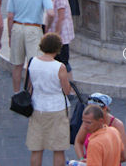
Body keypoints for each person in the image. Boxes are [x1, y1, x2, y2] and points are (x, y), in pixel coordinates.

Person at [26, 33, 72, 166]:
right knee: (58, 149)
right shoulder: (59, 67)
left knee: (36, 148)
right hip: (57, 108)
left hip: (37, 107)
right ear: (58, 48)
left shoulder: (32, 62)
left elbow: (30, 86)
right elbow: (66, 90)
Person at [7, 0, 54, 93]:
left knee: (17, 65)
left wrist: (10, 35)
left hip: (17, 27)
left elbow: (10, 15)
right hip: (34, 28)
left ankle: (16, 93)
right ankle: (30, 93)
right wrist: (46, 28)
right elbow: (50, 13)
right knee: (33, 65)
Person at [74, 94, 126, 163]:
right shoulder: (89, 122)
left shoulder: (116, 126)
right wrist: (81, 160)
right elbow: (78, 142)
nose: (85, 125)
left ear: (105, 108)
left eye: (95, 109)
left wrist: (97, 160)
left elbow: (123, 157)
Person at [41, 0, 75, 79]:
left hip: (61, 35)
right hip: (55, 32)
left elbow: (60, 18)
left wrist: (56, 36)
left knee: (64, 62)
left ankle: (70, 87)